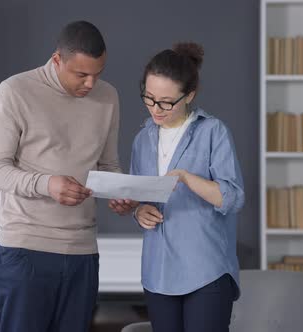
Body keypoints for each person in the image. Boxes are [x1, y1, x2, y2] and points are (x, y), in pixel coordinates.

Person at [0, 21, 130, 332]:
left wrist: (120, 191)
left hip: (82, 253)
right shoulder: (14, 92)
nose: (91, 84)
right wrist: (46, 184)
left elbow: (108, 164)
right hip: (25, 251)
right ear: (57, 59)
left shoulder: (108, 97)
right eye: (81, 75)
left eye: (98, 73)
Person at [129, 42, 245, 332]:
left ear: (189, 95)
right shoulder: (142, 139)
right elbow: (139, 195)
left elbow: (232, 198)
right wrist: (138, 211)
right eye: (149, 98)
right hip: (158, 271)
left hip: (205, 270)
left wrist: (186, 177)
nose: (156, 108)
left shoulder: (212, 131)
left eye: (166, 102)